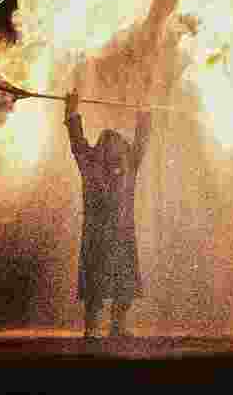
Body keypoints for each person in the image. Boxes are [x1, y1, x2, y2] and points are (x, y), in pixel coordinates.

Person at [64, 90, 152, 339]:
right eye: (108, 143)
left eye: (118, 144)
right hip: (96, 235)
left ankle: (117, 325)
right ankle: (92, 326)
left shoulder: (129, 167)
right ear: (100, 150)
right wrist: (71, 111)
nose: (114, 147)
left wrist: (144, 111)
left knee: (125, 282)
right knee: (95, 280)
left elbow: (142, 141)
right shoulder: (90, 165)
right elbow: (77, 141)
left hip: (123, 233)